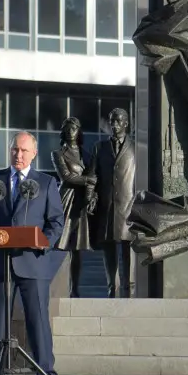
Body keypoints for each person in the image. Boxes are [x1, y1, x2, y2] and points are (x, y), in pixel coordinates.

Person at [0, 131, 65, 375]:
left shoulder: (46, 183)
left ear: (34, 153)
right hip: (0, 264)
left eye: (24, 151)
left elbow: (56, 221)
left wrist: (43, 241)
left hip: (32, 263)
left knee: (38, 323)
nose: (18, 155)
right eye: (14, 150)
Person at [87, 107, 136, 298]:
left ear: (126, 123)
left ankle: (129, 290)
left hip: (129, 207)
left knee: (127, 248)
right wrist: (90, 196)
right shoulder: (100, 147)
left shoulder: (136, 148)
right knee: (109, 249)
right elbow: (92, 176)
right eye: (111, 121)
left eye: (118, 121)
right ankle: (112, 290)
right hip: (107, 206)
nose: (114, 125)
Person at [50, 117, 95, 298]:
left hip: (82, 202)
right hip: (67, 199)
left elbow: (94, 176)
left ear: (79, 131)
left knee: (77, 249)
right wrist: (88, 180)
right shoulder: (58, 153)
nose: (71, 132)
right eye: (68, 129)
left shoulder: (86, 153)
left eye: (74, 129)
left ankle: (74, 289)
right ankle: (56, 286)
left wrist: (92, 193)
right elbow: (66, 177)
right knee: (61, 244)